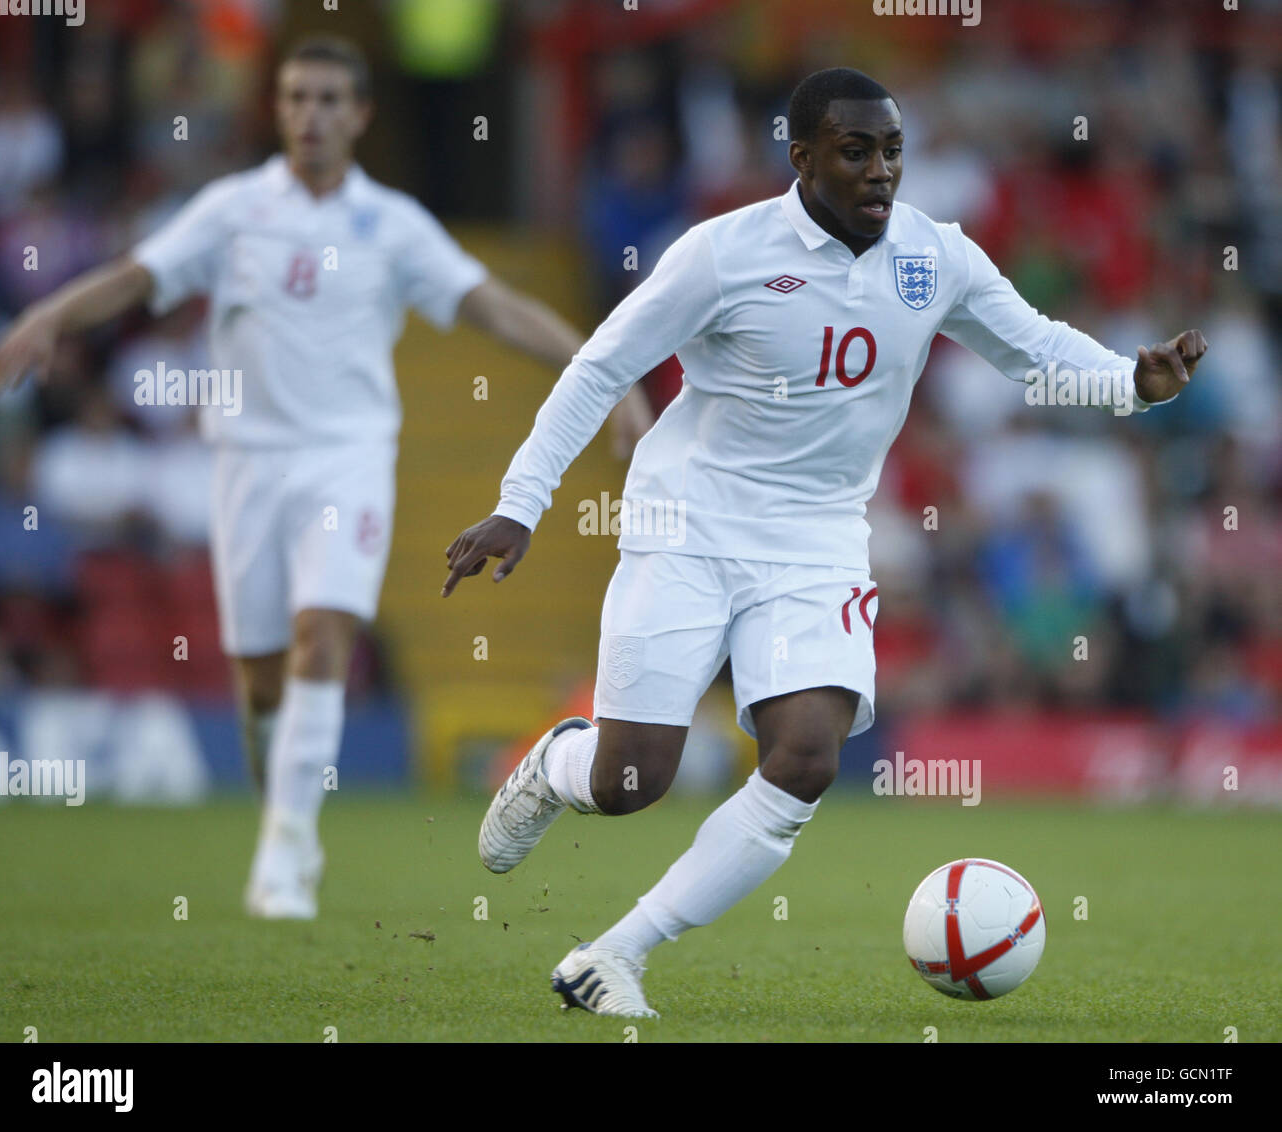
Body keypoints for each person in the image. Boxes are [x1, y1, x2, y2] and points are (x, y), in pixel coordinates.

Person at [441, 67, 1207, 1017]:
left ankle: (619, 952)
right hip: (690, 526)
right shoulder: (724, 253)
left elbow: (1037, 349)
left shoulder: (937, 258)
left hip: (817, 541)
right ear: (801, 158)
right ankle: (564, 761)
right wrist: (522, 502)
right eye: (855, 151)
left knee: (805, 757)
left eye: (891, 150)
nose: (880, 170)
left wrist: (1132, 384)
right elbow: (602, 365)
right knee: (632, 779)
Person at [0, 35, 651, 920]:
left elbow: (491, 304)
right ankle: (283, 806)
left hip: (350, 458)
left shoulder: (392, 223)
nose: (312, 116)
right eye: (297, 98)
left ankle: (288, 854)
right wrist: (48, 315)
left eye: (331, 100)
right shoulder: (232, 210)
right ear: (279, 109)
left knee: (324, 636)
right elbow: (135, 276)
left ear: (360, 115)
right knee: (262, 679)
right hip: (246, 465)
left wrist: (596, 373)